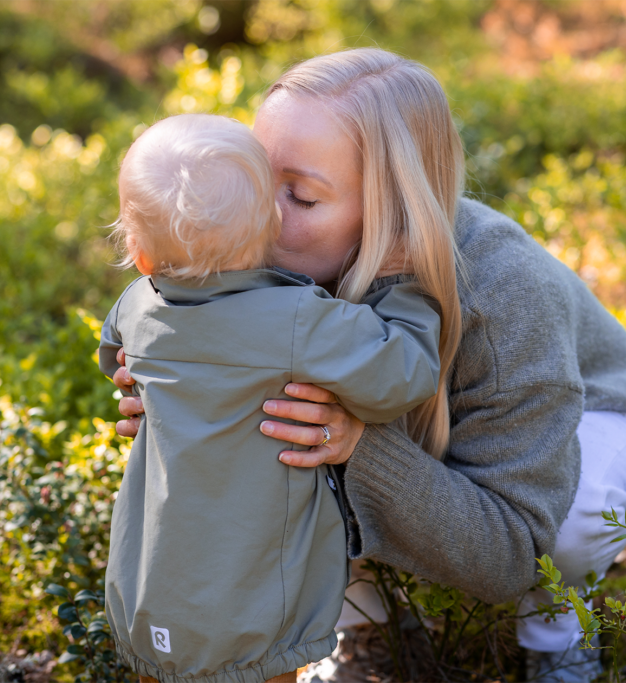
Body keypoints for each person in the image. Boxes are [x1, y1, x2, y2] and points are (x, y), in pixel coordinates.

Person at [112, 49, 626, 683]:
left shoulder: (501, 293)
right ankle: (364, 630)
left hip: (603, 427)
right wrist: (185, 400)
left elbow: (512, 551)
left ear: (391, 210)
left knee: (573, 526)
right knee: (294, 433)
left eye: (300, 195)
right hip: (433, 447)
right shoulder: (261, 260)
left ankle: (558, 637)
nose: (258, 212)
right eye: (253, 174)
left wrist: (357, 447)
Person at [98, 113, 445, 683]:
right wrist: (403, 289)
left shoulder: (137, 307)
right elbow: (401, 376)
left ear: (138, 253)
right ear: (269, 232)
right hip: (256, 600)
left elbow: (115, 357)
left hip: (150, 590)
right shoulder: (299, 321)